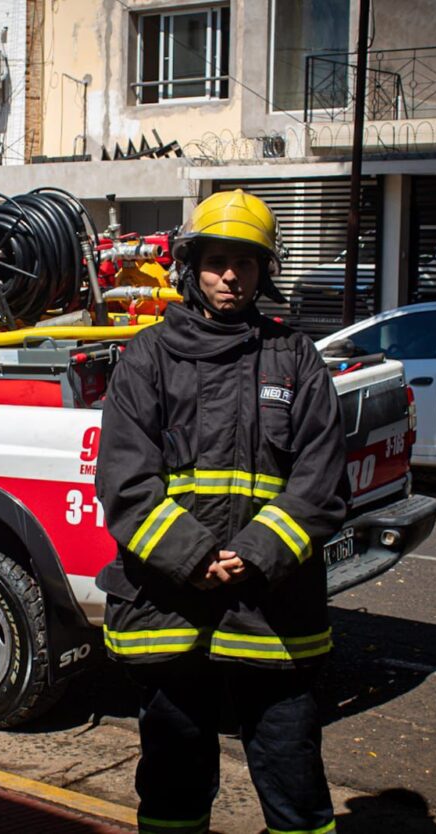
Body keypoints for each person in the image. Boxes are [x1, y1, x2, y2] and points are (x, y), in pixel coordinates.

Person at [95, 189, 349, 834]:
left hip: (271, 608)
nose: (229, 275)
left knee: (295, 782)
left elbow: (320, 483)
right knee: (174, 786)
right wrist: (198, 558)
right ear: (191, 266)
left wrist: (256, 554)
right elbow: (126, 482)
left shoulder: (295, 359)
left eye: (245, 261)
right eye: (215, 260)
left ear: (266, 270)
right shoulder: (147, 357)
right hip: (170, 606)